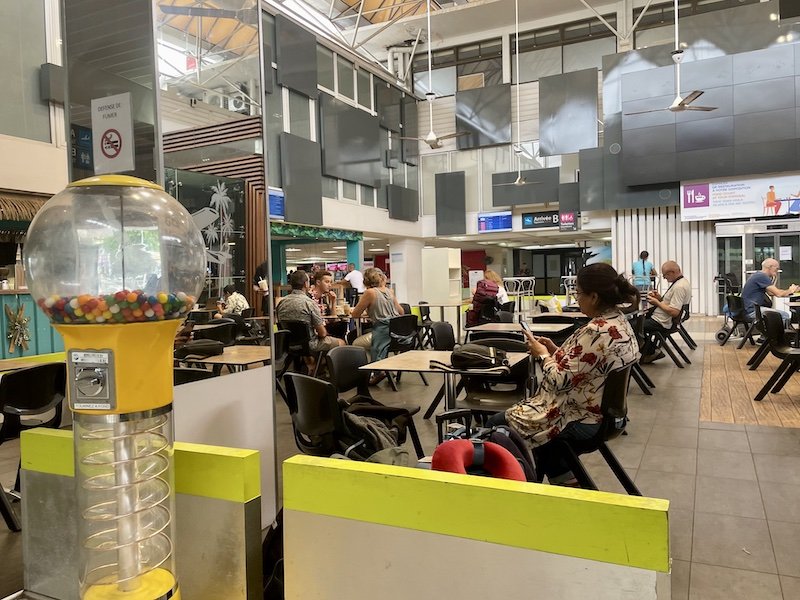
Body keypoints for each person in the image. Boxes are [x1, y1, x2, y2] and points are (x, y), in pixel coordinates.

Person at [487, 263, 640, 485]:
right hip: (608, 417)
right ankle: (563, 482)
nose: (577, 299)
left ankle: (518, 486)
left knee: (496, 425)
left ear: (594, 297)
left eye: (578, 293)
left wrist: (541, 355)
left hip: (581, 419)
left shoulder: (596, 331)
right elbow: (586, 367)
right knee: (549, 452)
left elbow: (560, 381)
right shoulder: (618, 323)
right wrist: (554, 351)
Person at [276, 270, 344, 355]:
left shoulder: (282, 302)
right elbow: (322, 334)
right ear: (306, 284)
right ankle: (323, 366)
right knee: (341, 343)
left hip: (288, 343)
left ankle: (315, 365)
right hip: (310, 344)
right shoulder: (309, 303)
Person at [350, 268, 403, 368]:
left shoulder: (369, 292)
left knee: (356, 343)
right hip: (397, 334)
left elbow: (355, 314)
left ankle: (374, 369)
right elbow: (401, 312)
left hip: (383, 333)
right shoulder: (390, 291)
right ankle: (381, 368)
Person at [640, 261, 692, 363]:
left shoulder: (679, 287)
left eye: (665, 275)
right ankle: (651, 350)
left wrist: (657, 303)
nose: (664, 278)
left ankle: (651, 352)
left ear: (672, 272)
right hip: (662, 319)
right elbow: (671, 304)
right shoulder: (681, 283)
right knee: (636, 323)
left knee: (633, 326)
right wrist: (660, 299)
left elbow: (674, 312)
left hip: (661, 322)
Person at [741, 258, 798, 327]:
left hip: (748, 309)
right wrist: (791, 290)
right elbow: (778, 293)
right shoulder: (762, 276)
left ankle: (769, 335)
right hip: (752, 311)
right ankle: (778, 337)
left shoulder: (758, 275)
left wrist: (775, 279)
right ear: (770, 267)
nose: (777, 271)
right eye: (776, 268)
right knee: (784, 315)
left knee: (776, 314)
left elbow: (771, 293)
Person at [312, 270, 347, 339]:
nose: (330, 285)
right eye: (327, 282)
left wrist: (333, 301)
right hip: (317, 330)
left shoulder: (323, 298)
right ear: (318, 282)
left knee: (342, 324)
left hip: (326, 326)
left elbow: (333, 318)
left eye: (330, 282)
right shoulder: (310, 298)